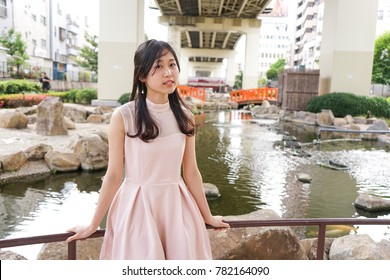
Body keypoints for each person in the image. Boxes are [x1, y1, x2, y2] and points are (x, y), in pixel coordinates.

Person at [66, 39, 230, 259]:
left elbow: (191, 172)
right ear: (142, 76)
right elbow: (114, 175)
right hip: (137, 207)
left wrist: (207, 216)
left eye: (172, 65)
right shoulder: (124, 116)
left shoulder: (186, 116)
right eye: (158, 66)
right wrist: (93, 224)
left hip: (177, 207)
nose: (168, 73)